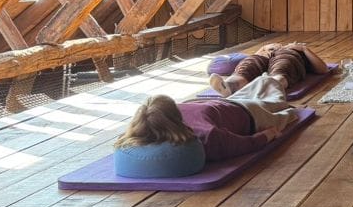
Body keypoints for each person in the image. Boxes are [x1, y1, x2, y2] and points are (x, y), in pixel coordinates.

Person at [116, 93, 299, 164]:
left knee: (287, 109)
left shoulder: (207, 135)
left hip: (246, 113)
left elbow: (245, 144)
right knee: (269, 93)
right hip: (215, 105)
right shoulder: (139, 130)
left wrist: (268, 133)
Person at [209, 42, 327, 97]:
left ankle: (269, 86)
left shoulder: (295, 50)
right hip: (265, 56)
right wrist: (263, 49)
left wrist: (304, 49)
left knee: (282, 66)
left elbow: (323, 69)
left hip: (286, 55)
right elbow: (253, 59)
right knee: (250, 63)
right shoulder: (264, 51)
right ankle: (228, 85)